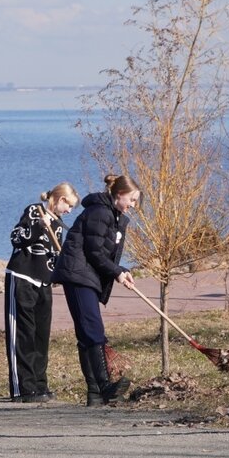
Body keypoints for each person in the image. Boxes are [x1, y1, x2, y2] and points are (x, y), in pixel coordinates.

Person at [51, 174, 140, 407]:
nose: (133, 205)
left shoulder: (112, 214)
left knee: (86, 333)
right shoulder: (100, 212)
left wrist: (121, 270)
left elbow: (105, 253)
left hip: (85, 275)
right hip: (77, 275)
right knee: (93, 329)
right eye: (132, 199)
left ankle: (95, 393)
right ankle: (104, 386)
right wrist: (116, 272)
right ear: (120, 194)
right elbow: (95, 252)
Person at [5, 182, 79, 403]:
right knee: (23, 334)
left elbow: (55, 255)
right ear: (60, 199)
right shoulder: (34, 211)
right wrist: (39, 226)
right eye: (69, 206)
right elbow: (16, 239)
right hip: (22, 278)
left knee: (41, 336)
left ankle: (40, 385)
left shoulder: (59, 224)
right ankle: (23, 389)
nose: (69, 211)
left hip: (44, 283)